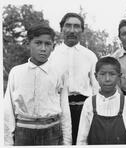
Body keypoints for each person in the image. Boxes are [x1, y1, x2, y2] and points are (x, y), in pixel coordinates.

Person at [4, 24, 72, 145]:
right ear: (28, 44)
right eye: (38, 43)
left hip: (51, 131)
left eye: (47, 44)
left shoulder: (59, 73)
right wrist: (7, 141)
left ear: (53, 46)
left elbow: (65, 109)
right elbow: (8, 109)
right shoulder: (16, 72)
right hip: (24, 131)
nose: (43, 48)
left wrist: (67, 142)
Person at [49, 12, 99, 145]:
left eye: (76, 26)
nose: (72, 30)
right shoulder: (52, 56)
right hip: (59, 110)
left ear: (82, 30)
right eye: (68, 26)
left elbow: (96, 87)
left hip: (85, 108)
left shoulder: (90, 56)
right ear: (61, 29)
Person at [76, 56, 126, 145]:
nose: (107, 79)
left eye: (112, 74)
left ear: (119, 76)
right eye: (102, 74)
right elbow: (81, 139)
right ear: (95, 76)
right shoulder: (89, 103)